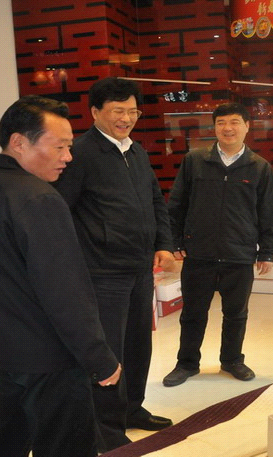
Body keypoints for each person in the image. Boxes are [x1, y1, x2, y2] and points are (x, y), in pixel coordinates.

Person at [0, 95, 121, 457]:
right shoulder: (38, 198)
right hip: (46, 354)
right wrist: (98, 357)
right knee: (65, 444)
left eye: (69, 147)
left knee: (7, 435)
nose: (68, 157)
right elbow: (65, 291)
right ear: (19, 142)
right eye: (59, 146)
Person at [53, 76, 175, 452]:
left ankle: (132, 408)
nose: (126, 118)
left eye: (133, 111)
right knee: (109, 352)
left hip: (139, 268)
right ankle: (106, 428)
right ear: (95, 112)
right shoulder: (80, 153)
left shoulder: (136, 152)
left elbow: (155, 201)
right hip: (102, 273)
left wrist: (164, 244)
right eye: (118, 111)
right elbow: (60, 211)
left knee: (138, 344)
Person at [162, 102, 273, 387]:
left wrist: (267, 251)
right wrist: (175, 240)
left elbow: (269, 211)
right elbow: (177, 204)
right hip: (199, 252)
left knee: (236, 314)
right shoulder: (195, 160)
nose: (228, 128)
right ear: (214, 127)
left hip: (239, 253)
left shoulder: (259, 166)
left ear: (247, 126)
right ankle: (186, 363)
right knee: (192, 314)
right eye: (221, 123)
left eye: (234, 122)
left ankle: (232, 360)